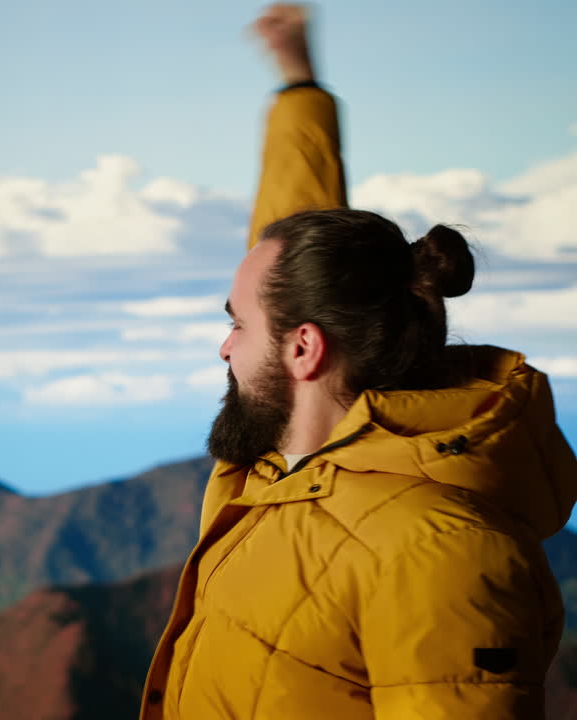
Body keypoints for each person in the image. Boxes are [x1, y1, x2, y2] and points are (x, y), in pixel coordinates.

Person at [138, 5, 577, 719]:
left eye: (236, 326)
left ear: (305, 349)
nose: (223, 347)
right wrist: (299, 87)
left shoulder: (438, 553)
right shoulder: (278, 468)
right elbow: (290, 244)